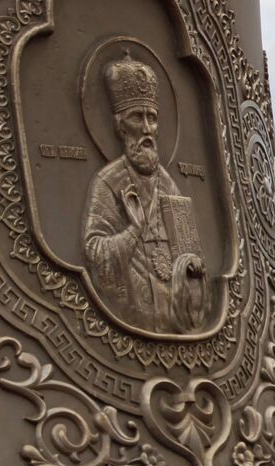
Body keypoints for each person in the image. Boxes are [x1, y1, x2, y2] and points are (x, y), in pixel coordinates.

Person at [83, 53, 206, 334]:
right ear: (120, 125)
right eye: (137, 117)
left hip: (173, 309)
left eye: (152, 117)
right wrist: (132, 231)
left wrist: (193, 264)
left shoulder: (168, 183)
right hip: (132, 307)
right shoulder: (108, 181)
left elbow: (188, 250)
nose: (148, 128)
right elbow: (94, 250)